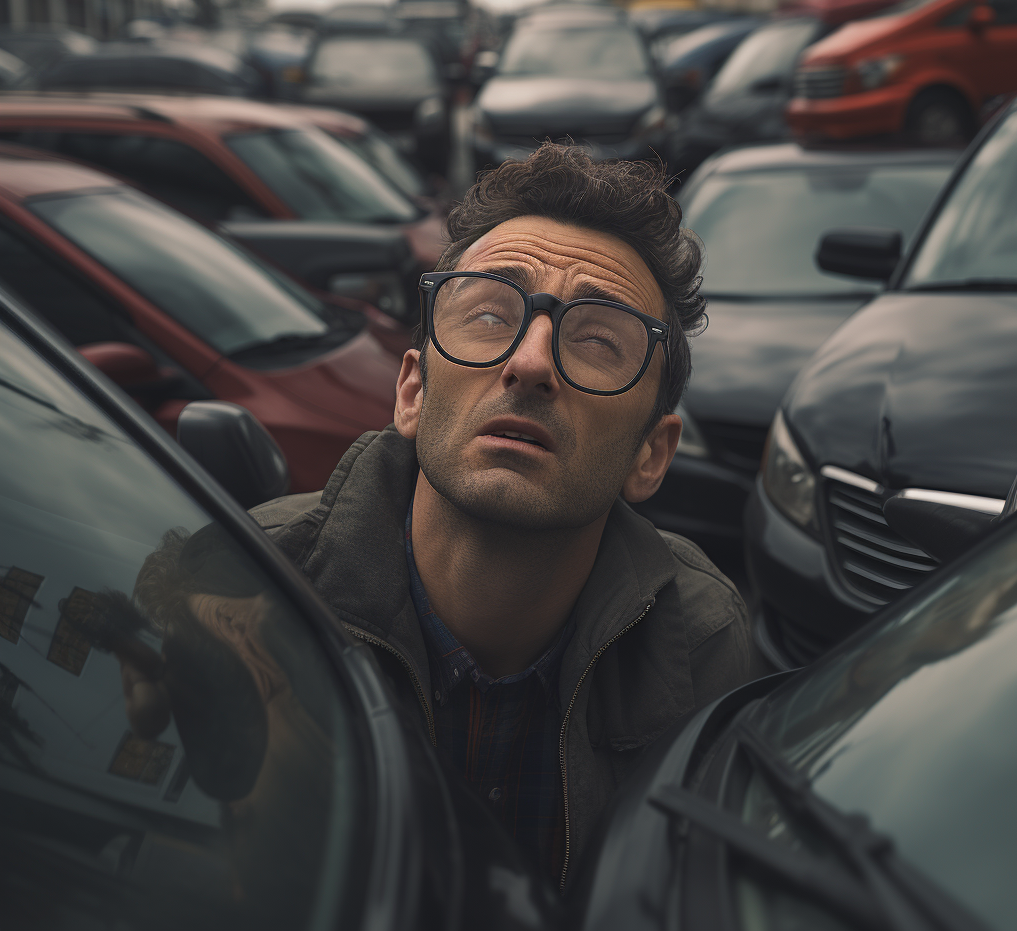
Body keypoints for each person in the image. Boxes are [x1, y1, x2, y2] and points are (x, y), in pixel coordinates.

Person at [254, 143, 753, 888]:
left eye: (597, 340)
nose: (530, 362)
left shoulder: (702, 642)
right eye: (490, 313)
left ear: (652, 453)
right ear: (413, 392)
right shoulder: (254, 583)